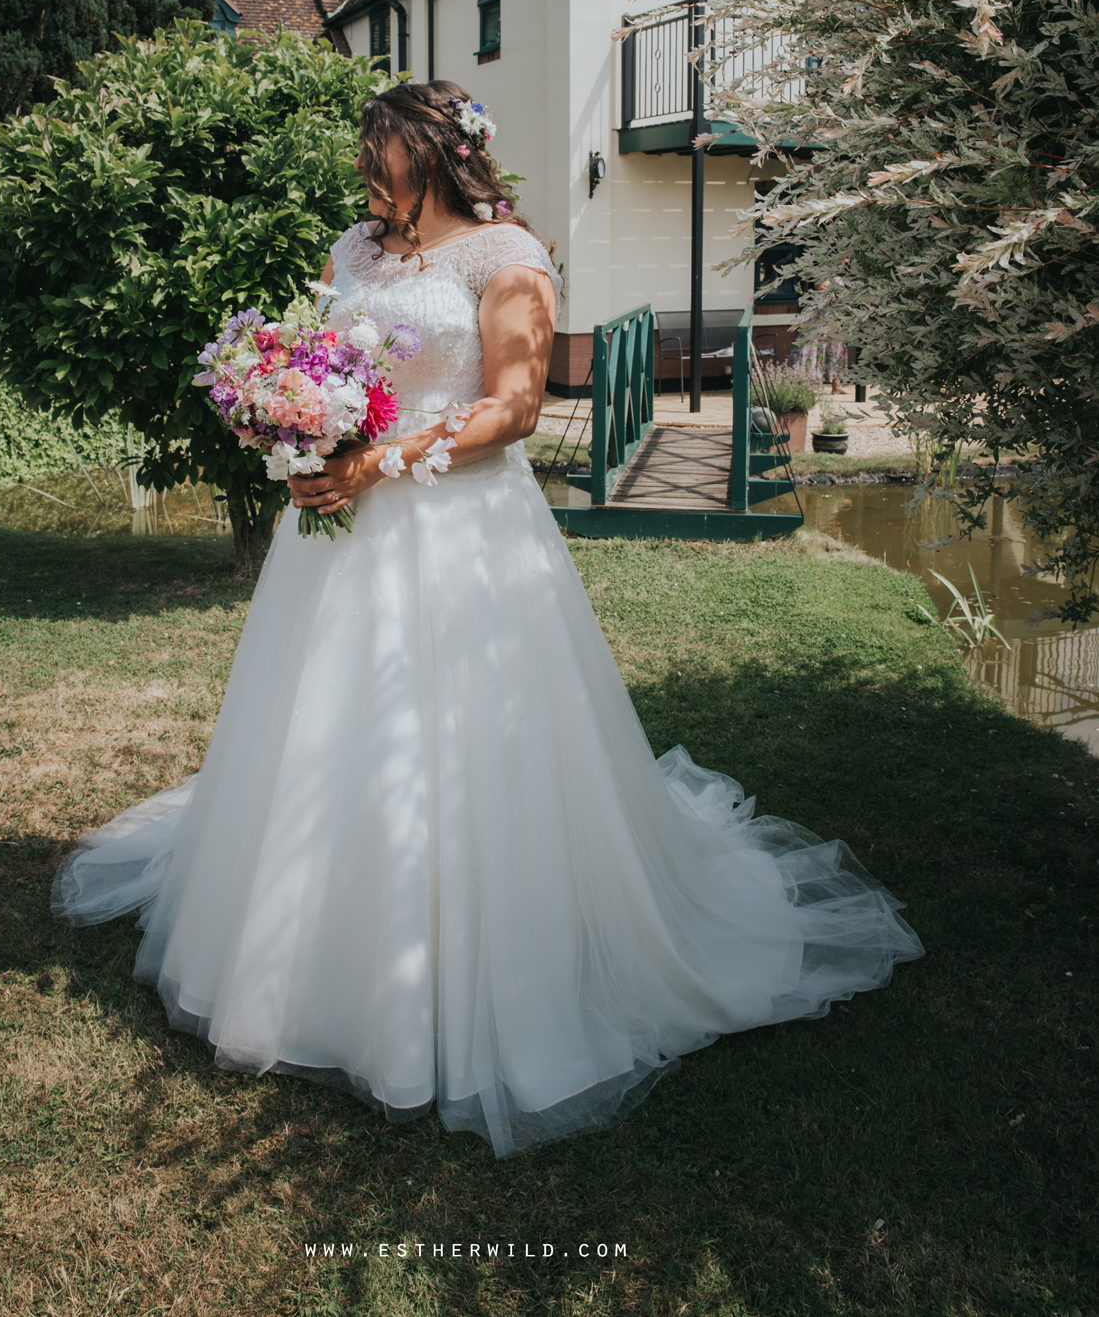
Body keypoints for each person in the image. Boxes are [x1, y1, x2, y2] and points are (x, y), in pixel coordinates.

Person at [53, 79, 922, 1159]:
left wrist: (378, 460)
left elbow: (513, 409)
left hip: (457, 527)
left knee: (459, 739)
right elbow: (324, 364)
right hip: (339, 534)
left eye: (383, 150)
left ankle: (473, 965)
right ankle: (304, 947)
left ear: (433, 151)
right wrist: (295, 430)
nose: (367, 169)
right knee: (322, 729)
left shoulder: (506, 253)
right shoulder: (351, 248)